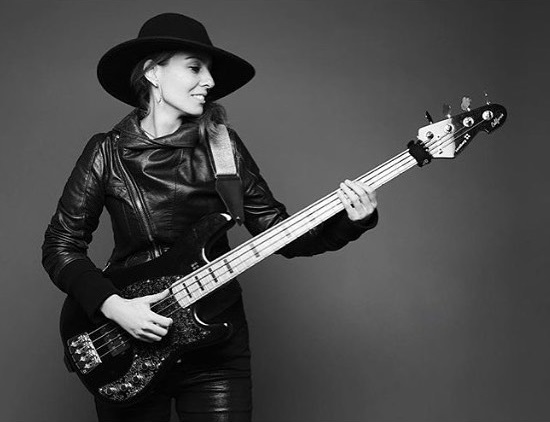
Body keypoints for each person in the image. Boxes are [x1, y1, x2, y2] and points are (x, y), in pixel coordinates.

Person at [42, 12, 378, 422]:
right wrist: (113, 306)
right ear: (153, 73)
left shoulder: (223, 147)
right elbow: (60, 246)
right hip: (128, 339)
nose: (210, 81)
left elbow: (278, 233)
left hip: (216, 343)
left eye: (210, 71)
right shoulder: (106, 152)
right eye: (194, 68)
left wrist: (350, 221)